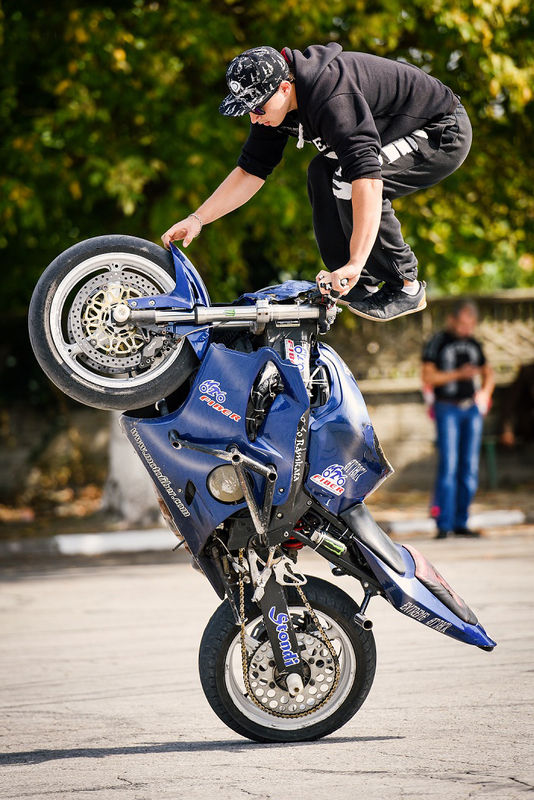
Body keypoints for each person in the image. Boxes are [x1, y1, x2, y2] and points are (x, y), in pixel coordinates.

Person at [162, 44, 473, 321]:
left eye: (257, 109)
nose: (254, 118)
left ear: (285, 88)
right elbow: (250, 171)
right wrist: (197, 219)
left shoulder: (332, 96)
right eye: (247, 111)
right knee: (321, 172)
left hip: (441, 131)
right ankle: (358, 284)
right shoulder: (274, 107)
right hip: (395, 132)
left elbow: (367, 180)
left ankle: (405, 285)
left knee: (348, 179)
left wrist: (356, 260)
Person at [422, 301, 495, 539]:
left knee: (469, 467)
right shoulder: (438, 342)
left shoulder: (474, 344)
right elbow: (428, 376)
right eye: (463, 324)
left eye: (470, 324)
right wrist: (458, 374)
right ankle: (444, 524)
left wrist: (485, 393)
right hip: (447, 408)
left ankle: (461, 521)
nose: (466, 329)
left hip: (471, 409)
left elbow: (488, 372)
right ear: (452, 320)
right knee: (449, 465)